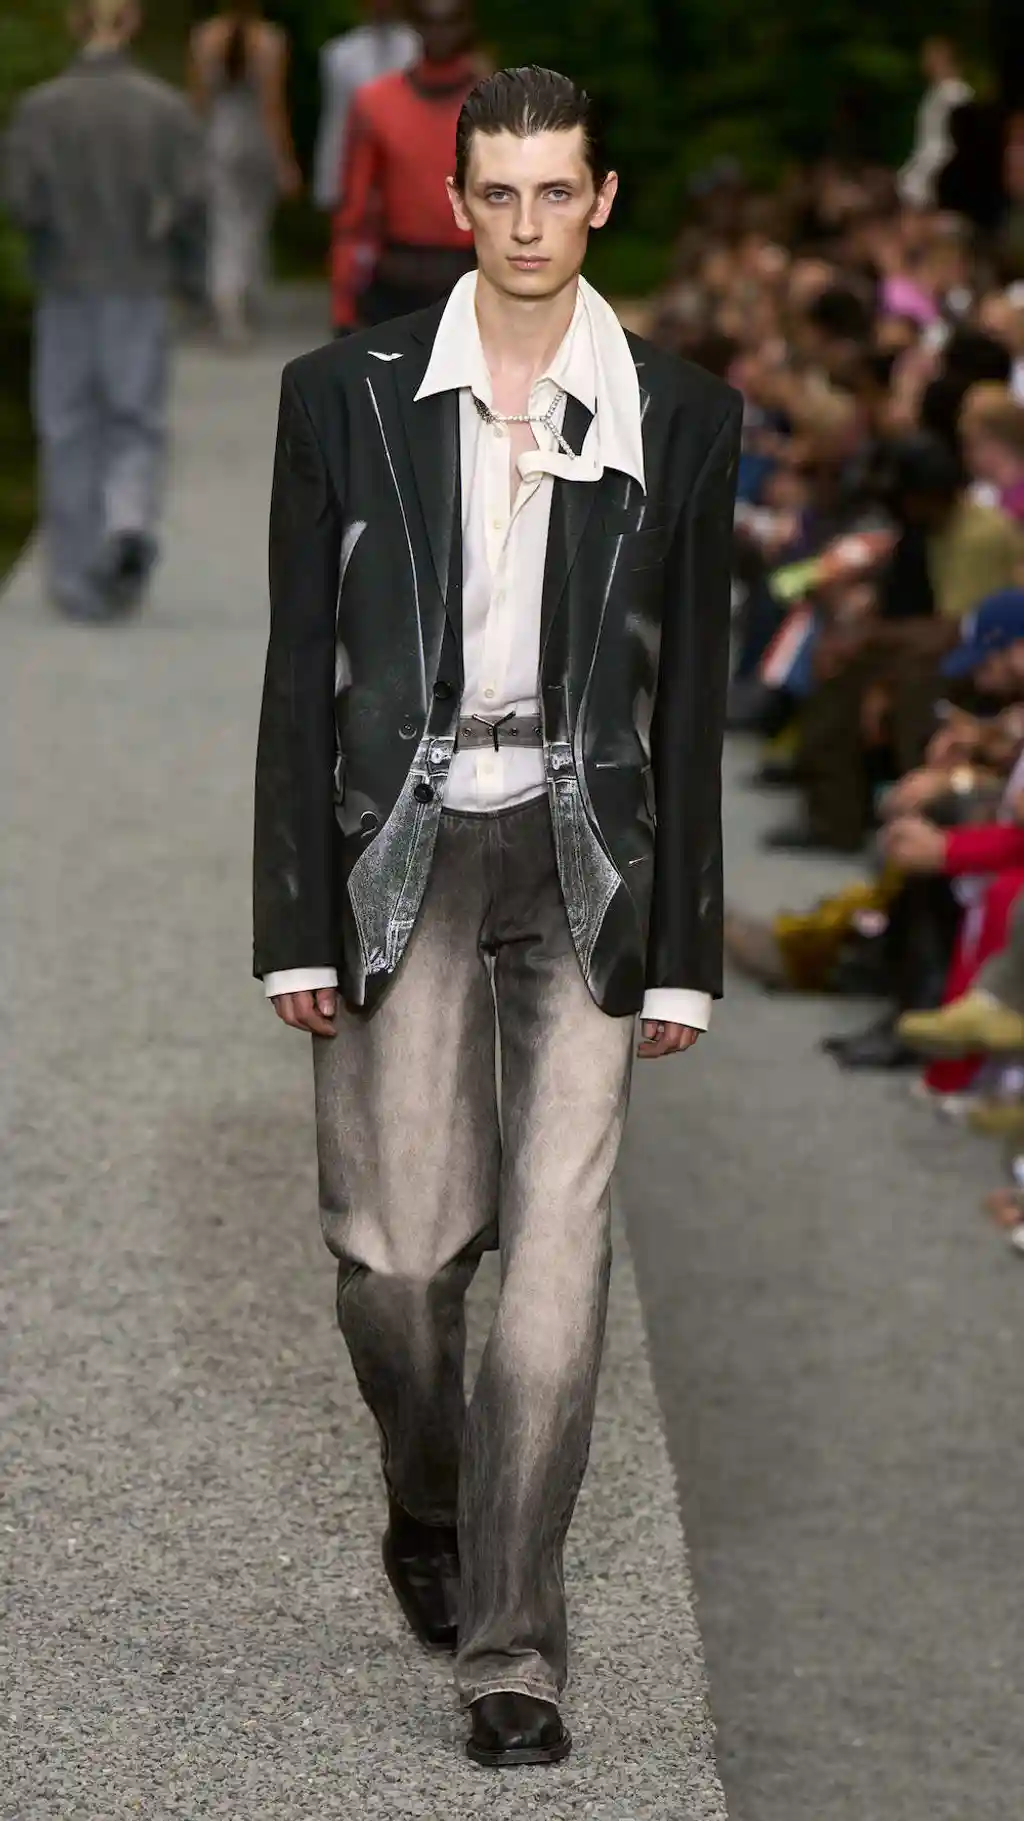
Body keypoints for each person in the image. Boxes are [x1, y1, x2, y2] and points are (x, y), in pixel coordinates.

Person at [254, 64, 740, 1768]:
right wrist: (294, 918)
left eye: (557, 192)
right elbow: (297, 671)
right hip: (399, 846)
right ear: (455, 201)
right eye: (498, 194)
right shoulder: (344, 394)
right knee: (396, 1266)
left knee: (553, 1268)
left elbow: (691, 698)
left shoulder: (678, 411)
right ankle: (430, 1490)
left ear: (600, 200)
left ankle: (513, 1649)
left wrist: (687, 947)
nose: (527, 225)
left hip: (585, 856)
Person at [2, 0, 203, 622]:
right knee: (134, 418)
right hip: (139, 278)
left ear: (74, 22)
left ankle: (76, 573)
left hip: (66, 281)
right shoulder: (166, 108)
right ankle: (127, 518)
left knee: (68, 424)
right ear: (133, 22)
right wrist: (190, 278)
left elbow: (20, 201)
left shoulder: (40, 109)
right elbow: (192, 201)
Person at [330, 0, 479, 331]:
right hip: (395, 277)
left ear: (467, 26)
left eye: (450, 21)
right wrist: (344, 296)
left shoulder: (494, 107)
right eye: (430, 21)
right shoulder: (376, 103)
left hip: (471, 275)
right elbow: (354, 207)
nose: (440, 32)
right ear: (415, 26)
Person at [188, 2, 300, 344]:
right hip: (257, 139)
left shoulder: (205, 37)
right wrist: (285, 160)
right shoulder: (270, 40)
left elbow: (198, 101)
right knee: (252, 225)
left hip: (219, 138)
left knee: (224, 225)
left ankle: (227, 301)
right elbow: (273, 105)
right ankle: (243, 295)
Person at [312, 0, 420, 214]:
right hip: (357, 174)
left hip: (410, 175)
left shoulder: (419, 49)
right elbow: (336, 122)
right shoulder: (340, 53)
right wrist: (328, 185)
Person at [898, 36, 973, 210]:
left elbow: (955, 141)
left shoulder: (956, 94)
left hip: (939, 171)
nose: (924, 61)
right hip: (927, 167)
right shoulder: (936, 92)